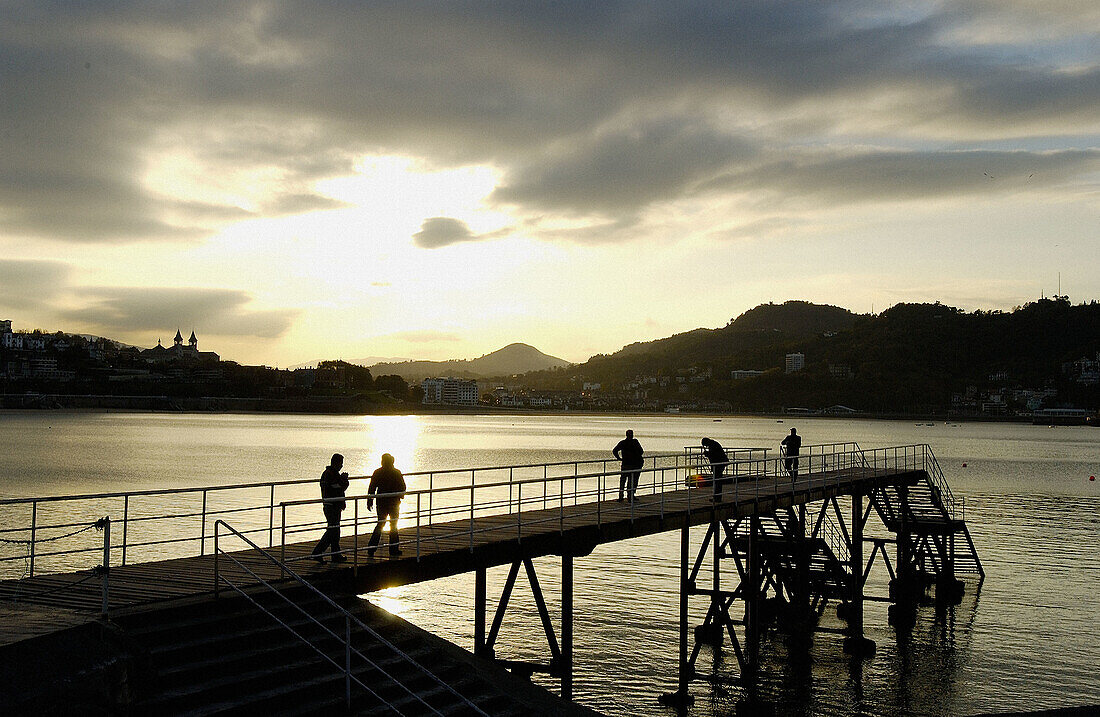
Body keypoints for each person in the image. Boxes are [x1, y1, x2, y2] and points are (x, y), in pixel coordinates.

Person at [310, 453, 350, 564]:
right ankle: (318, 552)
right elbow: (339, 488)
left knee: (335, 531)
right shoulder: (331, 474)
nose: (341, 466)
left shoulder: (330, 474)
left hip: (332, 505)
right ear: (335, 463)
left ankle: (335, 555)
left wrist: (342, 479)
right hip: (332, 505)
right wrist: (344, 479)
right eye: (340, 463)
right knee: (333, 530)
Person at [366, 453, 407, 557]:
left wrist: (369, 500)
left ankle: (371, 548)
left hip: (382, 502)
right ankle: (393, 549)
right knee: (393, 525)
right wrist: (400, 495)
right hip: (393, 502)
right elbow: (403, 487)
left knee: (380, 524)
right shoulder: (396, 472)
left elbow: (372, 487)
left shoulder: (378, 472)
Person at [612, 429, 645, 502]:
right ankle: (630, 496)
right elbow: (641, 451)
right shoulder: (635, 442)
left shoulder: (623, 443)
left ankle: (622, 497)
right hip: (633, 464)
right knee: (632, 481)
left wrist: (619, 458)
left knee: (624, 480)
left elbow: (615, 451)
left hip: (626, 464)